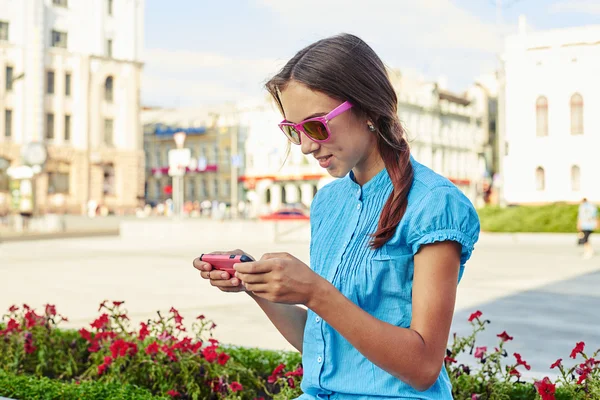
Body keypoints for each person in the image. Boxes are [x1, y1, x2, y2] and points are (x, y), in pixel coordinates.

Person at [192, 33, 480, 399]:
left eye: (316, 125)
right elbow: (325, 345)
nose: (308, 146)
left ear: (369, 109)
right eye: (294, 131)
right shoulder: (328, 202)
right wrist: (256, 285)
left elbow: (423, 368)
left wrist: (315, 292)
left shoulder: (435, 204)